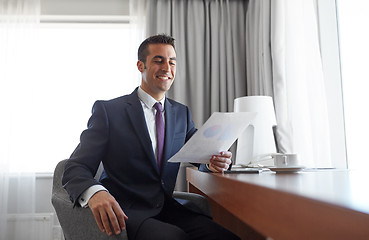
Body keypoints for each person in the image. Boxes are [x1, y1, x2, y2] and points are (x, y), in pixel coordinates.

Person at [62, 34, 240, 240]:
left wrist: (215, 162)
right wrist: (96, 193)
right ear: (140, 66)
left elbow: (200, 155)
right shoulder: (109, 112)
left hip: (169, 209)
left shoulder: (182, 114)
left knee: (226, 237)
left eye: (172, 62)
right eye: (158, 60)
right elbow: (75, 168)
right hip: (127, 211)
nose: (167, 68)